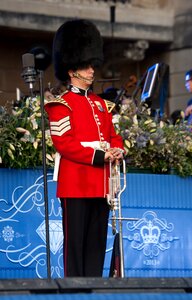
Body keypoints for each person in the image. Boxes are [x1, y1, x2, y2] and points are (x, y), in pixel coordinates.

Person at [44, 19, 124, 277]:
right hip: (76, 184)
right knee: (75, 244)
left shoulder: (102, 105)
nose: (92, 71)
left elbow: (114, 135)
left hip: (101, 185)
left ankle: (94, 289)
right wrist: (101, 155)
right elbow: (64, 144)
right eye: (86, 66)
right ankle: (73, 290)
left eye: (92, 66)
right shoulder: (61, 105)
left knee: (96, 243)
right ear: (71, 70)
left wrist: (117, 149)